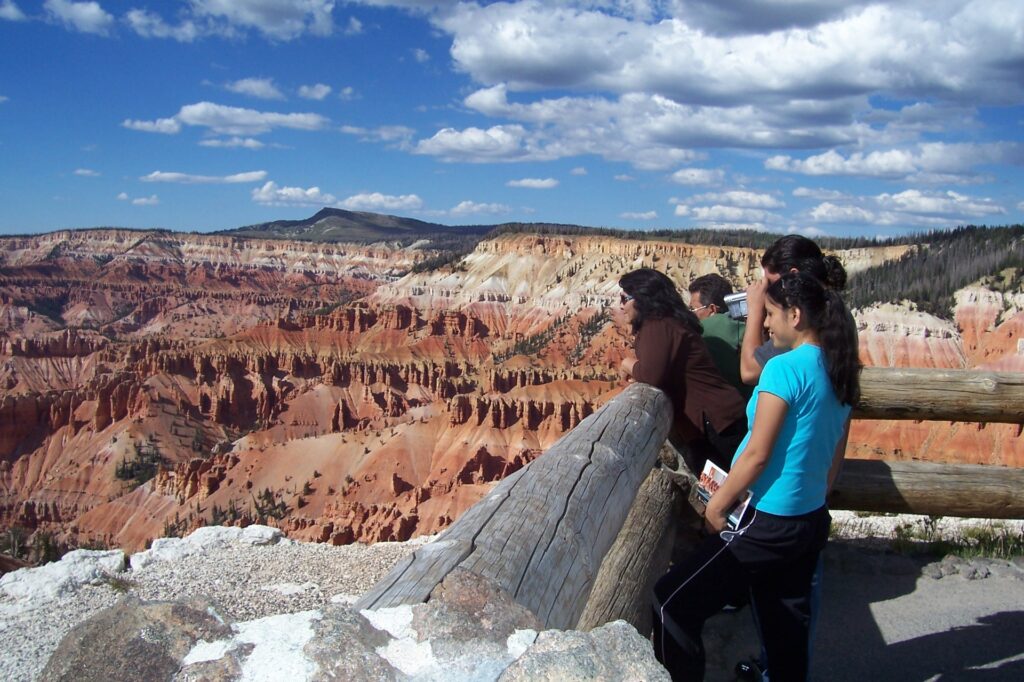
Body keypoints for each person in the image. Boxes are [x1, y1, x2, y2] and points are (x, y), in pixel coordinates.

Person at [651, 271, 861, 682]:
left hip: (767, 522)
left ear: (795, 315)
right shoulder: (839, 369)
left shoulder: (783, 370)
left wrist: (718, 504)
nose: (765, 324)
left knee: (670, 602)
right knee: (785, 621)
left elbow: (756, 454)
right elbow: (834, 458)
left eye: (771, 314)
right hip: (811, 519)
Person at [618, 268, 746, 471]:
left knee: (732, 492)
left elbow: (652, 375)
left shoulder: (659, 325)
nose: (621, 305)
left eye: (624, 298)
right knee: (727, 490)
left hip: (717, 424)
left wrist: (627, 363)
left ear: (643, 297)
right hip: (717, 421)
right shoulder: (667, 322)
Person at [740, 235, 847, 386]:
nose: (769, 289)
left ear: (794, 274)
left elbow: (749, 372)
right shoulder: (835, 308)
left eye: (771, 282)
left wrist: (755, 310)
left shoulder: (804, 319)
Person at [688, 274, 752, 401]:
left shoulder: (701, 330)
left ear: (712, 309)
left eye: (693, 309)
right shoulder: (747, 326)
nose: (690, 314)